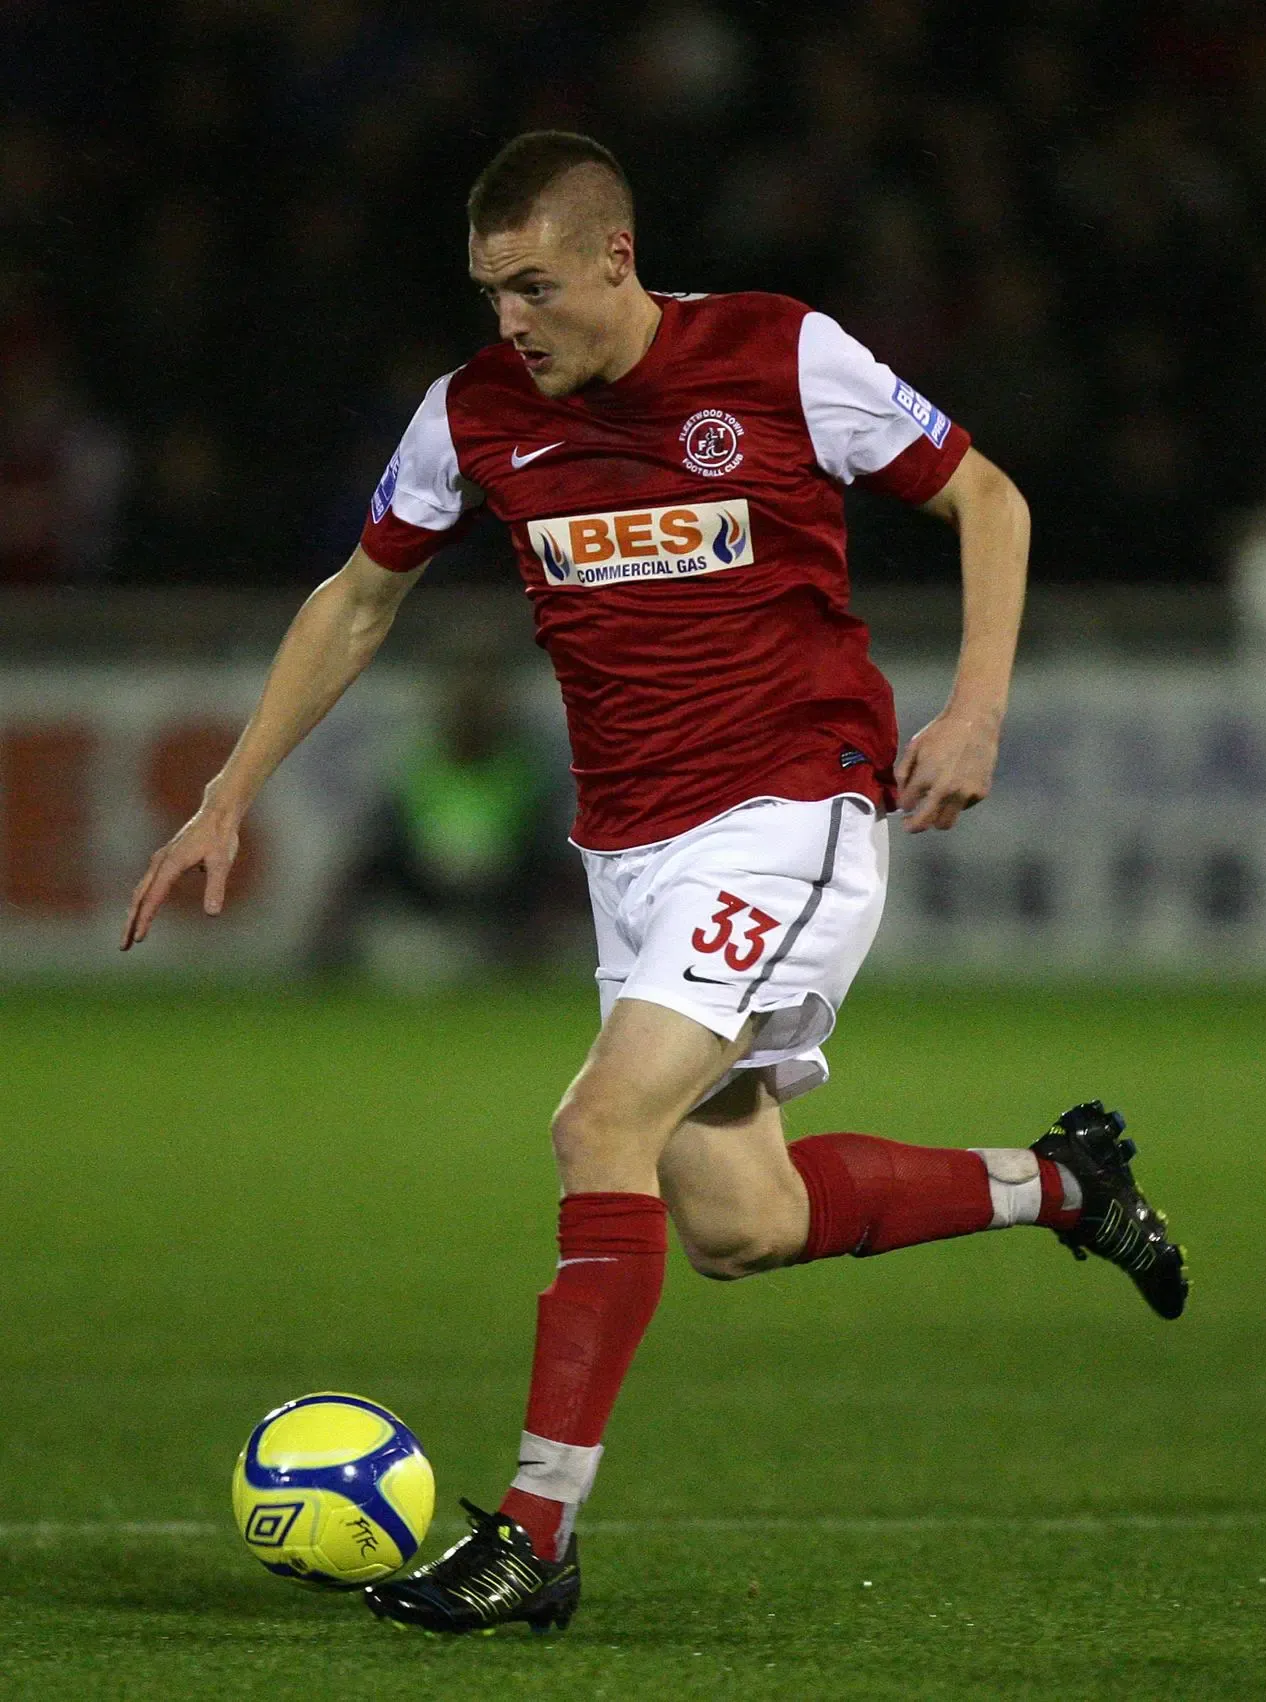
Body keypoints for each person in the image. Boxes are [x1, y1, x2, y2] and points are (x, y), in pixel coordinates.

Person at [122, 131, 1186, 1637]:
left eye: (535, 286)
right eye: (492, 293)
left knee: (597, 1121)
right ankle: (1068, 1182)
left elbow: (989, 500)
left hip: (788, 807)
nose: (512, 323)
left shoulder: (778, 353)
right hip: (630, 850)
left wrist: (976, 707)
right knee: (740, 1219)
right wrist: (231, 788)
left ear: (614, 258)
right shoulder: (472, 415)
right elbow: (360, 596)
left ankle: (536, 1538)